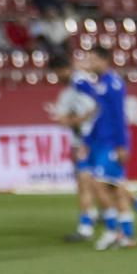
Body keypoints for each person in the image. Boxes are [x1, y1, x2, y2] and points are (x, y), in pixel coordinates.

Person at [74, 47, 137, 250]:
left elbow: (120, 118)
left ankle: (113, 231)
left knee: (101, 186)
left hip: (112, 143)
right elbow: (90, 101)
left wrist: (122, 146)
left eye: (92, 59)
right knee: (114, 189)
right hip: (100, 143)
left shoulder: (114, 83)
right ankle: (128, 232)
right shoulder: (101, 84)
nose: (89, 63)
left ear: (103, 61)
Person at [48, 55, 103, 243]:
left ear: (64, 69)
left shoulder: (80, 83)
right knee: (98, 182)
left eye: (57, 73)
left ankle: (86, 227)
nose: (56, 77)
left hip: (86, 140)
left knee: (85, 183)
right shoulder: (74, 86)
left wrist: (74, 121)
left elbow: (95, 108)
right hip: (85, 139)